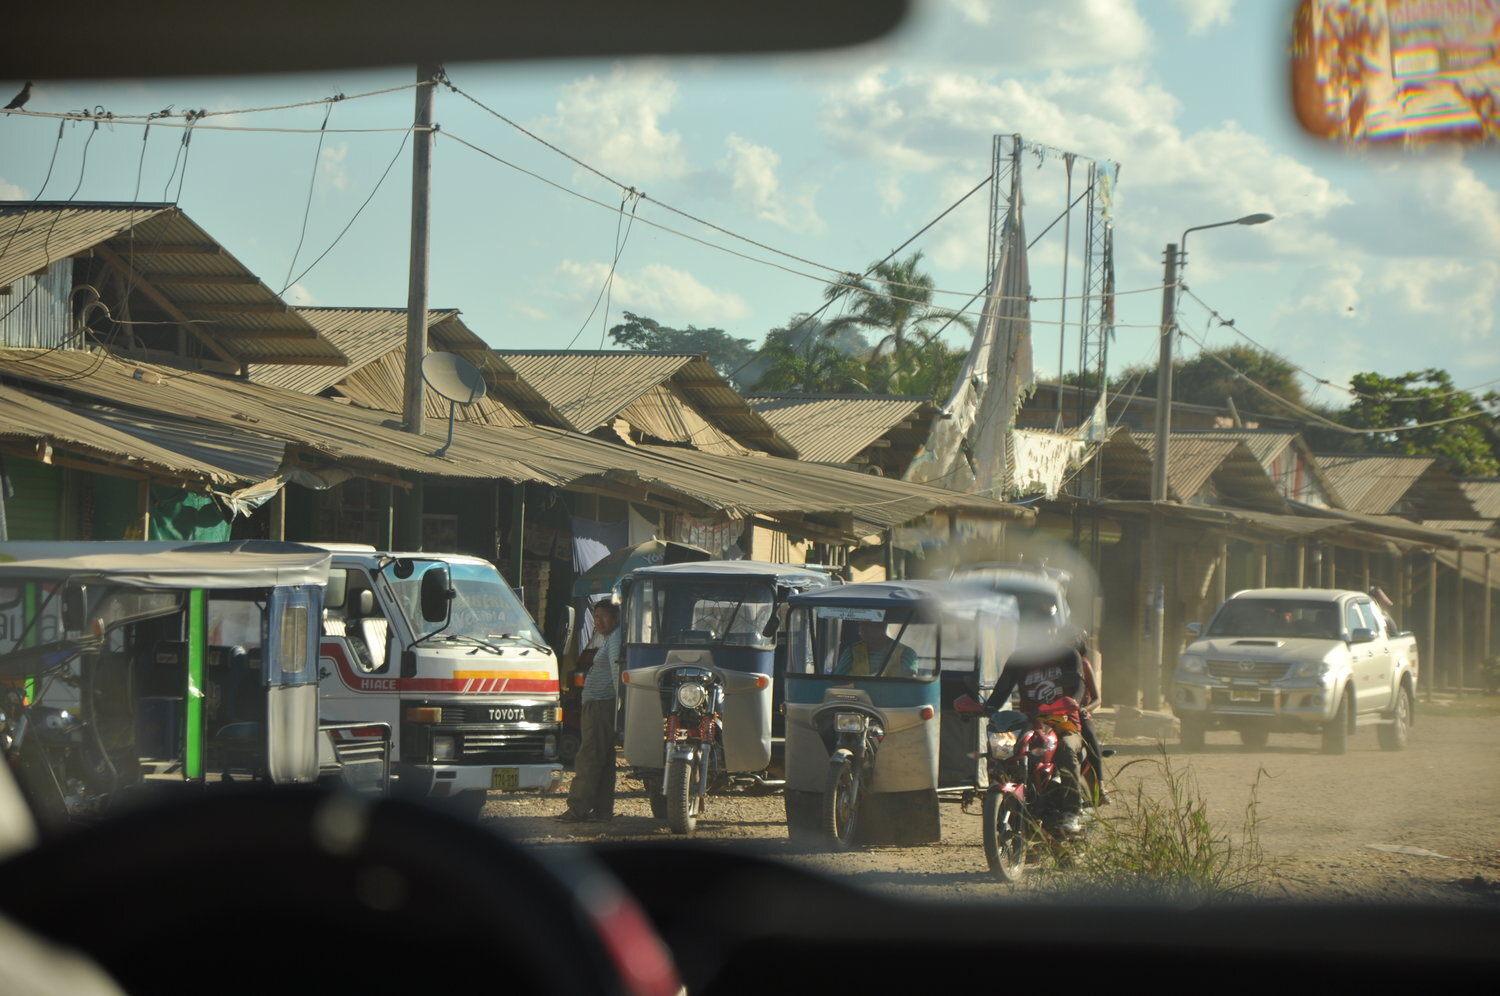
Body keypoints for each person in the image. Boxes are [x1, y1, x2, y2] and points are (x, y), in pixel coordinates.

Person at [983, 645, 1089, 833]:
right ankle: (1012, 806)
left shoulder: (1067, 654)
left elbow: (1078, 690)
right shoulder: (1019, 658)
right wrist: (980, 707)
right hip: (1029, 724)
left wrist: (1070, 703)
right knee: (1004, 753)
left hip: (1064, 723)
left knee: (1065, 748)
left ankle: (1072, 811)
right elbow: (1000, 694)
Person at [557, 601, 623, 823]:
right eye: (595, 617)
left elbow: (616, 672)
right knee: (603, 759)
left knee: (589, 757)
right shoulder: (608, 639)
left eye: (604, 617)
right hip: (598, 704)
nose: (598, 622)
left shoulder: (614, 640)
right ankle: (603, 811)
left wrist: (620, 706)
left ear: (615, 618)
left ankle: (578, 809)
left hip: (601, 705)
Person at [833, 620, 918, 677]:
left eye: (868, 624)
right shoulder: (852, 651)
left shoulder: (906, 653)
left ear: (882, 626)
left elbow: (910, 683)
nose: (862, 629)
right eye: (861, 624)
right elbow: (836, 680)